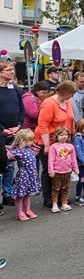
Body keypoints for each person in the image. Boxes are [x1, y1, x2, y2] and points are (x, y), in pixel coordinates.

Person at [34, 80, 76, 208]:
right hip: (48, 140)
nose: (72, 97)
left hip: (63, 140)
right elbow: (43, 125)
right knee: (49, 170)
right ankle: (48, 198)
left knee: (62, 168)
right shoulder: (49, 103)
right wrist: (47, 145)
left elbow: (71, 119)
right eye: (71, 94)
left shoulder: (67, 101)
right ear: (65, 92)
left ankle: (59, 197)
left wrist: (72, 133)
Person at [0, 61, 25, 208]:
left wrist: (18, 125)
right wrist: (2, 129)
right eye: (8, 70)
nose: (12, 72)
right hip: (1, 132)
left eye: (12, 70)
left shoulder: (14, 88)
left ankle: (7, 194)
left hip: (13, 131)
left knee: (10, 165)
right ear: (0, 73)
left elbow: (22, 109)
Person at [10, 128, 40, 221]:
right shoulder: (18, 151)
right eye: (30, 140)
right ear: (23, 141)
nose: (32, 142)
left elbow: (37, 147)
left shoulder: (30, 149)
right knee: (20, 195)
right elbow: (9, 155)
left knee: (27, 194)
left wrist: (30, 143)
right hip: (23, 175)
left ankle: (27, 210)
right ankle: (20, 213)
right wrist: (19, 145)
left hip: (31, 175)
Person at [48, 126, 78, 213]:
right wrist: (51, 170)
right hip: (57, 172)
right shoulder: (53, 147)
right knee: (56, 188)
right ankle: (55, 204)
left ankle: (64, 203)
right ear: (56, 136)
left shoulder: (71, 146)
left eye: (66, 135)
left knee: (66, 188)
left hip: (68, 171)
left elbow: (73, 159)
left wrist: (75, 168)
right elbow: (51, 159)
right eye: (61, 135)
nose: (64, 136)